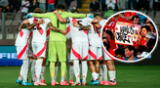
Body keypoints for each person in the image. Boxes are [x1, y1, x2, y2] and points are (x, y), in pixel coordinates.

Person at [28, 4, 87, 86]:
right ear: (63, 9)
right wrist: (85, 15)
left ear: (56, 8)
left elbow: (39, 15)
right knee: (63, 61)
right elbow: (77, 15)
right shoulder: (66, 14)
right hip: (62, 40)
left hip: (52, 40)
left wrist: (31, 14)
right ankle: (62, 80)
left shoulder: (50, 14)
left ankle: (53, 81)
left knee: (52, 61)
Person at [68, 17, 91, 86]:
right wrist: (83, 27)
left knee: (82, 60)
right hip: (78, 41)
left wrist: (81, 26)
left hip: (82, 42)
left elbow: (89, 27)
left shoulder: (87, 18)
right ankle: (78, 80)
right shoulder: (71, 18)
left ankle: (82, 80)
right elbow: (74, 24)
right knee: (77, 60)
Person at [15, 19, 33, 86]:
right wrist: (35, 23)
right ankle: (24, 81)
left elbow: (25, 26)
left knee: (25, 63)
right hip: (23, 46)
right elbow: (30, 27)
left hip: (19, 45)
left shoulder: (20, 29)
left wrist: (23, 23)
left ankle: (20, 78)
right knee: (26, 63)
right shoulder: (27, 29)